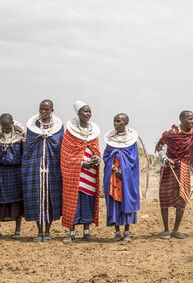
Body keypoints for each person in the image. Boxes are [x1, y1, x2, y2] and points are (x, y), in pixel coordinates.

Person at [156, 110, 193, 239]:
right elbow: (159, 146)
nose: (192, 121)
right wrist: (165, 159)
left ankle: (176, 230)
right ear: (181, 119)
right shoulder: (172, 133)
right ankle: (166, 230)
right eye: (189, 119)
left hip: (184, 168)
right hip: (169, 168)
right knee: (164, 199)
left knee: (182, 199)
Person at [22, 100, 64, 242]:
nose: (43, 112)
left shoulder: (58, 127)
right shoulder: (33, 127)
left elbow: (59, 146)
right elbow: (28, 148)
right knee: (36, 198)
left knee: (50, 199)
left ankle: (48, 231)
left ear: (52, 110)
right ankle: (39, 230)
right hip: (35, 169)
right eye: (41, 109)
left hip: (52, 169)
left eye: (46, 109)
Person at [60, 101, 101, 244]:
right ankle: (71, 233)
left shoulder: (93, 132)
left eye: (89, 111)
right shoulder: (70, 133)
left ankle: (86, 232)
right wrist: (81, 163)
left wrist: (96, 159)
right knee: (73, 200)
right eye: (85, 111)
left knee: (88, 201)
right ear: (78, 114)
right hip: (75, 173)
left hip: (90, 174)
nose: (88, 114)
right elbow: (65, 155)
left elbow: (96, 149)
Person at [103, 113, 140, 242]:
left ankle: (127, 232)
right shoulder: (110, 140)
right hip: (113, 176)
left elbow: (133, 159)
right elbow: (106, 156)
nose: (116, 124)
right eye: (114, 121)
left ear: (126, 123)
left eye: (119, 121)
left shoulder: (131, 141)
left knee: (127, 201)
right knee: (114, 203)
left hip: (126, 177)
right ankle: (117, 232)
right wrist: (114, 168)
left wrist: (123, 170)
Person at [0, 114, 25, 239]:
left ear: (13, 124)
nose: (6, 130)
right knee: (1, 201)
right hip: (2, 172)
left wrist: (23, 134)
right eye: (4, 128)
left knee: (17, 201)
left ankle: (17, 229)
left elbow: (26, 150)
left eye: (8, 128)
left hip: (16, 172)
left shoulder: (20, 137)